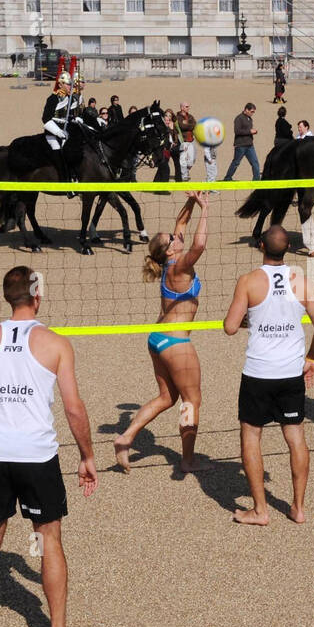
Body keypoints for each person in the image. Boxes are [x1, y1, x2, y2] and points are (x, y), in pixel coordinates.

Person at [0, 266, 97, 627]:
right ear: (37, 295)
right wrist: (87, 455)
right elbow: (73, 408)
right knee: (48, 540)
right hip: (36, 456)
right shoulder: (55, 343)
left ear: (7, 296)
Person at [223, 225, 314, 526]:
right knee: (295, 436)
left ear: (260, 246)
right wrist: (311, 358)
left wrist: (253, 318)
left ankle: (260, 510)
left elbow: (230, 327)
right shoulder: (301, 280)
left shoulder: (248, 281)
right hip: (290, 371)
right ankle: (297, 508)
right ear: (288, 249)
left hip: (258, 372)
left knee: (251, 435)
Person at [115, 193, 210, 475]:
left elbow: (181, 222)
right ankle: (187, 460)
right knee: (191, 401)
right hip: (177, 343)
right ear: (169, 250)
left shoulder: (171, 260)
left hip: (157, 339)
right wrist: (206, 208)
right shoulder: (180, 266)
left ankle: (126, 438)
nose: (177, 235)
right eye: (173, 238)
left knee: (166, 398)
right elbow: (200, 243)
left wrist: (192, 201)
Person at [42, 71, 75, 179]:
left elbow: (70, 117)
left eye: (70, 84)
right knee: (57, 150)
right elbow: (46, 119)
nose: (70, 86)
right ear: (60, 85)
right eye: (67, 84)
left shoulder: (70, 99)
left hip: (66, 132)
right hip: (53, 134)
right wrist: (57, 132)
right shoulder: (52, 99)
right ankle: (62, 177)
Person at [224, 102, 260, 180]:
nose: (252, 113)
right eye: (252, 111)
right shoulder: (239, 118)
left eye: (253, 112)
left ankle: (256, 180)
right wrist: (250, 131)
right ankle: (227, 178)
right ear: (246, 109)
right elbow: (237, 131)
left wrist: (254, 132)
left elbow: (247, 130)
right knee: (236, 162)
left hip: (250, 145)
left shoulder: (250, 119)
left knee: (255, 162)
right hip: (240, 145)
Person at [174, 101, 197, 180]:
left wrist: (187, 124)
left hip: (191, 140)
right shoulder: (177, 117)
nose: (188, 108)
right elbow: (181, 126)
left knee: (192, 160)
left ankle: (186, 171)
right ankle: (184, 176)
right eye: (186, 106)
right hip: (183, 141)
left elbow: (194, 124)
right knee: (183, 159)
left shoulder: (190, 116)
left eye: (188, 106)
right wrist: (188, 125)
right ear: (182, 108)